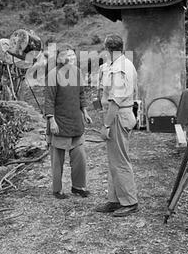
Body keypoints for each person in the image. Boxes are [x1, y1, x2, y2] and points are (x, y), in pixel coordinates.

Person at [96, 34, 139, 217]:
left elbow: (116, 101)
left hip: (118, 115)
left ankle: (130, 201)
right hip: (117, 114)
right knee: (113, 161)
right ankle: (115, 199)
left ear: (107, 48)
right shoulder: (114, 65)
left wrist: (106, 125)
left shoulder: (121, 68)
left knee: (120, 160)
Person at [44, 44, 92, 199]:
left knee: (80, 158)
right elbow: (49, 100)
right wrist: (51, 121)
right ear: (59, 58)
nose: (71, 58)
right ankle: (57, 190)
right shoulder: (53, 74)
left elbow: (81, 94)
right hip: (59, 122)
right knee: (57, 161)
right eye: (67, 56)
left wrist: (85, 111)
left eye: (73, 55)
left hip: (76, 121)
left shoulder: (77, 72)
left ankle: (78, 187)